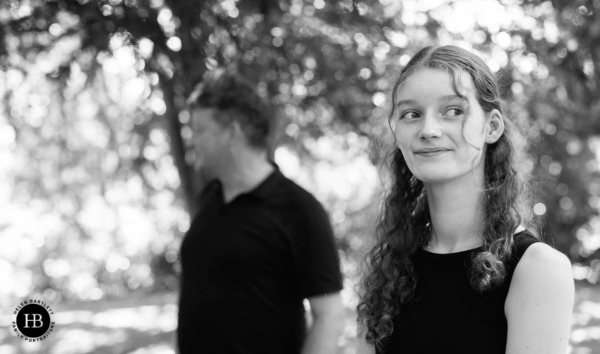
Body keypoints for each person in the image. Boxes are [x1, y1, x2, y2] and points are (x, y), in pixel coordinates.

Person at [356, 45, 574, 354]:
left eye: (453, 111)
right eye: (411, 114)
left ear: (492, 126)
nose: (429, 130)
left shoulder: (538, 270)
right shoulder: (387, 271)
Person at [178, 69, 345, 354]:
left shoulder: (299, 209)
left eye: (199, 130)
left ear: (231, 132)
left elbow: (329, 316)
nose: (191, 141)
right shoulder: (211, 197)